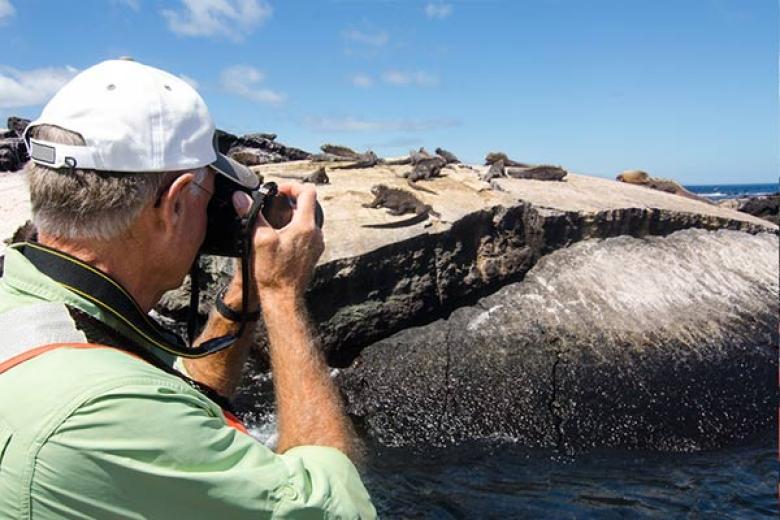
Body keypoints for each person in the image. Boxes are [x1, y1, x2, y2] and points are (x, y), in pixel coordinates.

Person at [0, 59, 376, 518]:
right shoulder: (102, 414)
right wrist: (280, 293)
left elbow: (167, 396)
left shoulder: (33, 315)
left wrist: (247, 290)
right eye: (210, 193)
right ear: (174, 204)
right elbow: (334, 508)